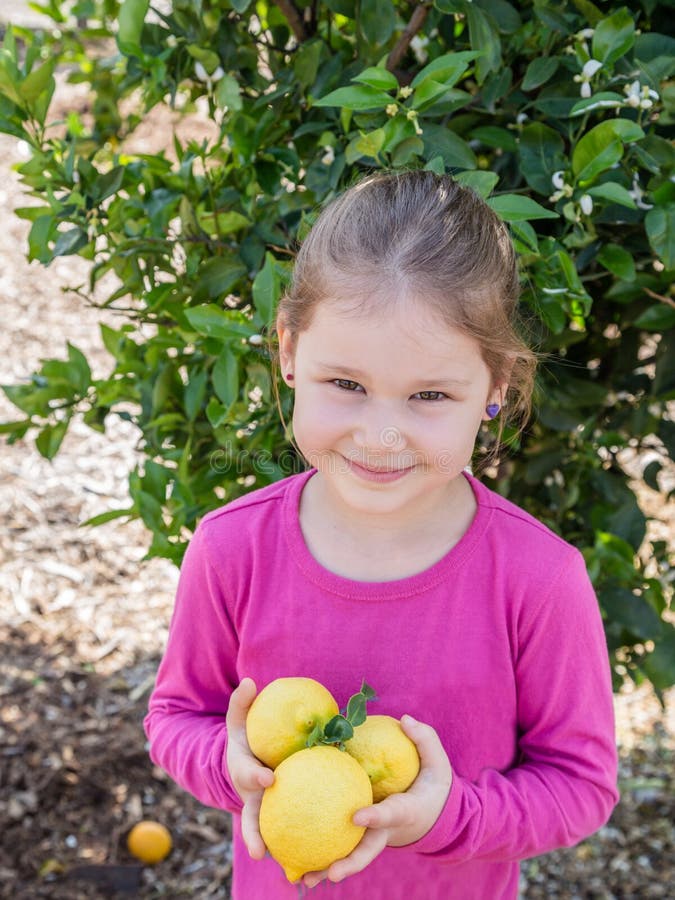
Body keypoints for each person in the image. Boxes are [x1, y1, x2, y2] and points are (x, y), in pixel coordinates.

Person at [144, 170, 619, 899]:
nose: (381, 434)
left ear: (495, 387)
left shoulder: (536, 579)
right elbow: (178, 716)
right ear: (288, 351)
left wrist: (447, 815)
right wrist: (226, 763)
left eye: (429, 395)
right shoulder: (231, 548)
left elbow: (579, 786)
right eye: (347, 385)